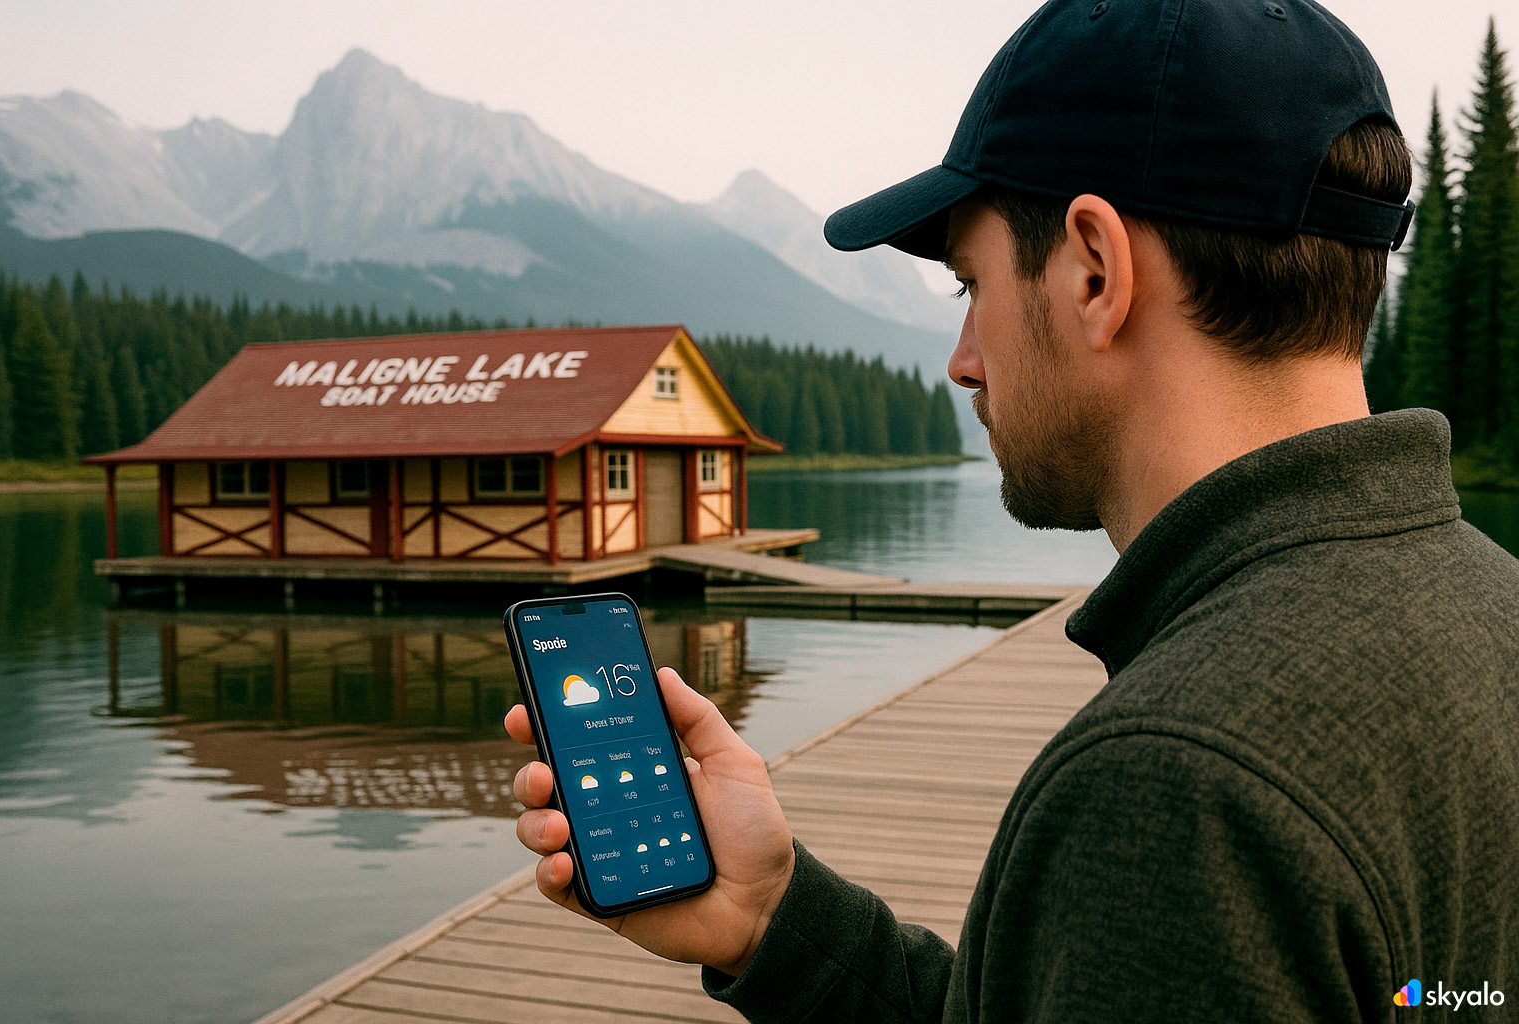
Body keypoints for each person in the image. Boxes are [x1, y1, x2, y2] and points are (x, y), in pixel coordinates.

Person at [505, 0, 1519, 1018]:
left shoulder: (1173, 785)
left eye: (967, 285)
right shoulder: (1494, 609)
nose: (961, 362)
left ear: (1094, 271)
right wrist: (776, 921)